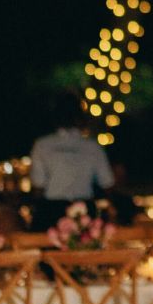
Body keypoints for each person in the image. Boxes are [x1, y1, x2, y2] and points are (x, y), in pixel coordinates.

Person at [30, 92, 114, 230]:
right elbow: (107, 184)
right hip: (84, 211)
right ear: (80, 117)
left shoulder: (42, 145)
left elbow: (38, 186)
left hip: (53, 212)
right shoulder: (92, 146)